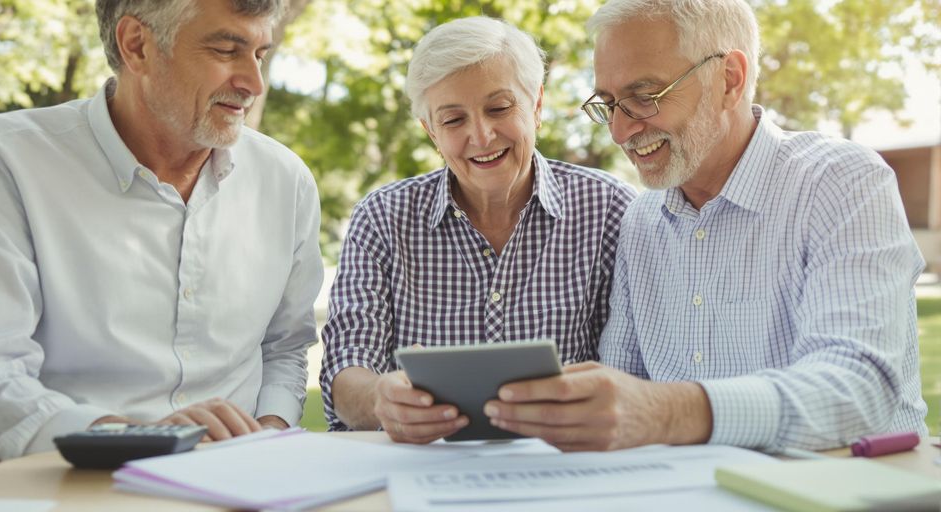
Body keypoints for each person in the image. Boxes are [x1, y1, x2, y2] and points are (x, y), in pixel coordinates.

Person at [483, 0, 928, 452]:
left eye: (644, 96)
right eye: (611, 104)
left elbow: (857, 388)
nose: (619, 132)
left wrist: (667, 412)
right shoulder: (641, 219)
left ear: (729, 80)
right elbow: (624, 388)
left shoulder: (842, 182)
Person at [0, 0, 322, 483]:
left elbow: (285, 348)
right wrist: (140, 441)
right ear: (137, 45)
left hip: (225, 486)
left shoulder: (286, 180)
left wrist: (268, 432)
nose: (253, 83)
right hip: (36, 485)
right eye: (224, 50)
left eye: (259, 53)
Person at [320, 16, 636, 443]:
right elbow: (346, 367)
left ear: (537, 106)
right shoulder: (381, 218)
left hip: (564, 462)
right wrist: (380, 397)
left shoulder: (610, 210)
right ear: (431, 132)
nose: (482, 136)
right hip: (423, 468)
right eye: (453, 120)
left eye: (499, 108)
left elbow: (629, 370)